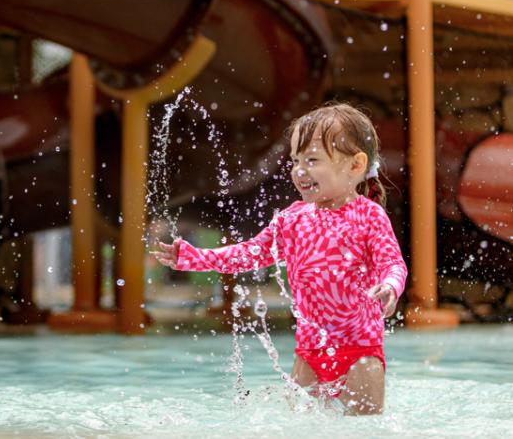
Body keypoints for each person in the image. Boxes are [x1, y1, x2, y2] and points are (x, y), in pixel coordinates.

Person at [153, 103, 407, 415]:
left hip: (360, 352)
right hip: (309, 352)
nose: (299, 170)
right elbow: (250, 253)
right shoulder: (293, 219)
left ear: (355, 165)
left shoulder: (369, 216)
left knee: (364, 429)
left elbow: (392, 263)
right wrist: (196, 258)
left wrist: (390, 286)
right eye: (296, 160)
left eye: (312, 160)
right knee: (298, 426)